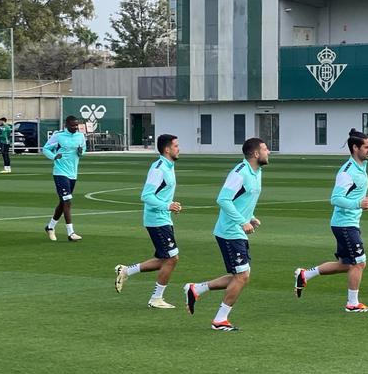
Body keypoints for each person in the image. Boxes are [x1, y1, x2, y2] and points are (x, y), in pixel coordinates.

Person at [182, 138, 269, 331]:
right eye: (264, 149)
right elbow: (223, 199)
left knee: (240, 275)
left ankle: (196, 289)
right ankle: (219, 319)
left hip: (237, 231)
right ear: (255, 154)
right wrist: (242, 221)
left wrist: (250, 217)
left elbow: (241, 200)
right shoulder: (240, 173)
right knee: (242, 275)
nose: (268, 151)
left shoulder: (257, 172)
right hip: (230, 231)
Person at [294, 129, 368, 312]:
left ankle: (305, 275)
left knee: (347, 264)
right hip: (344, 224)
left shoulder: (361, 165)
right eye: (366, 147)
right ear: (355, 148)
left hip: (349, 223)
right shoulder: (347, 172)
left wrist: (360, 203)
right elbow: (335, 198)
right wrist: (358, 203)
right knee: (359, 262)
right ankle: (352, 303)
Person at [114, 134, 183, 309]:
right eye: (175, 146)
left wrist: (170, 206)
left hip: (162, 218)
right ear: (167, 149)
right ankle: (156, 298)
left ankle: (126, 271)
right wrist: (167, 205)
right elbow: (146, 195)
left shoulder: (168, 165)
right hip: (157, 220)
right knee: (172, 258)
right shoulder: (159, 168)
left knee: (164, 259)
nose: (178, 148)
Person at [42, 116, 87, 242]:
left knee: (63, 202)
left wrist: (80, 151)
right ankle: (70, 233)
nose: (75, 127)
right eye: (72, 125)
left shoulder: (81, 136)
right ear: (66, 125)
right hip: (60, 172)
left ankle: (50, 227)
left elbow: (83, 150)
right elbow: (45, 149)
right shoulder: (58, 136)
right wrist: (54, 156)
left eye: (76, 125)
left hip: (73, 173)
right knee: (67, 201)